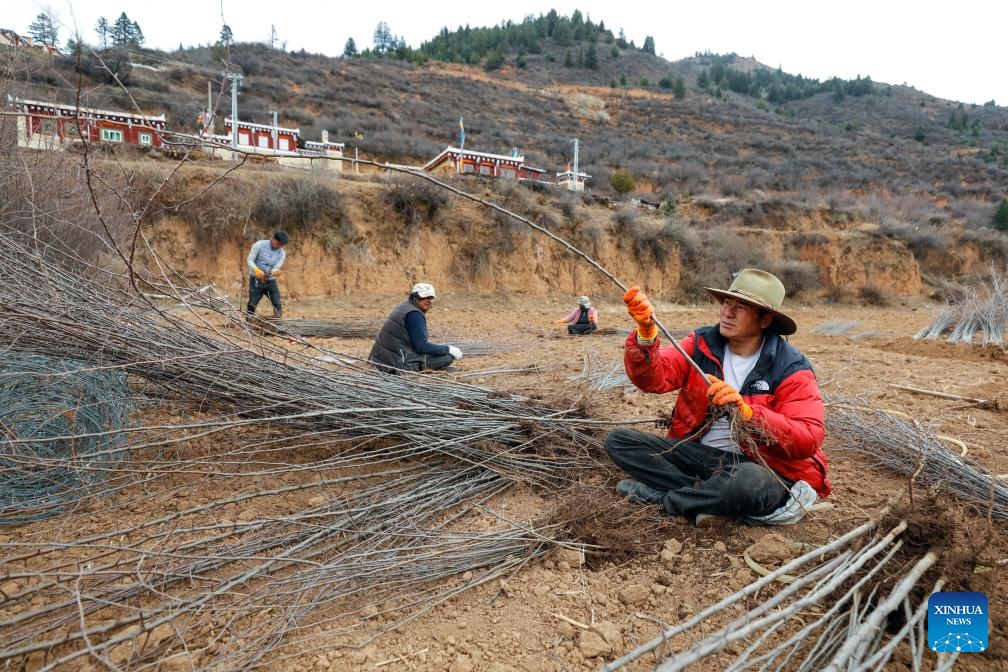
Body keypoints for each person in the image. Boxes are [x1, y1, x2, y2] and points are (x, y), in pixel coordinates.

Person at [604, 268, 830, 527]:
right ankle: (708, 498)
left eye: (741, 307)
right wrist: (646, 332)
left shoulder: (790, 367)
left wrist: (747, 413)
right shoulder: (702, 343)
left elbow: (807, 438)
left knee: (749, 483)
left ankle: (667, 500)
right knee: (620, 441)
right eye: (726, 302)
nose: (728, 312)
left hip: (761, 467)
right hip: (701, 457)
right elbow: (654, 378)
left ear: (765, 320)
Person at [369, 282, 463, 373]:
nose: (429, 301)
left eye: (431, 298)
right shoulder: (414, 315)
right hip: (399, 364)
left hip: (380, 360)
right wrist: (448, 349)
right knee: (448, 356)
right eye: (425, 297)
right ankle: (419, 367)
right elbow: (422, 347)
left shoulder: (405, 307)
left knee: (438, 354)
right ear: (415, 297)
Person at [246, 231, 289, 318]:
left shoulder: (282, 253)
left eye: (282, 245)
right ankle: (248, 323)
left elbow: (276, 267)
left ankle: (277, 325)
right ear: (273, 239)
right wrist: (256, 270)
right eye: (278, 243)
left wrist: (275, 272)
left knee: (277, 303)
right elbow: (250, 259)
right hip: (256, 280)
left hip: (270, 281)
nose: (279, 246)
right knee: (252, 304)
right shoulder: (259, 245)